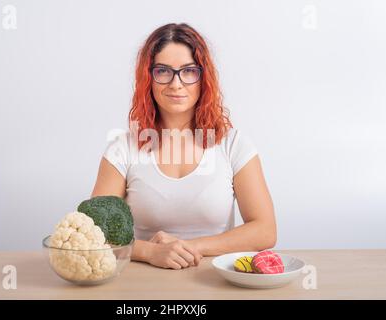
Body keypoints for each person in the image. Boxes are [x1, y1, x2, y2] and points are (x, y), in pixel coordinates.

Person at [91, 23, 277, 270]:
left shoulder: (233, 144)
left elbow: (265, 231)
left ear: (204, 78)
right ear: (148, 78)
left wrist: (190, 247)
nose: (176, 84)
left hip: (217, 282)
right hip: (142, 284)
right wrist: (150, 252)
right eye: (163, 71)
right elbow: (94, 231)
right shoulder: (122, 149)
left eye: (189, 71)